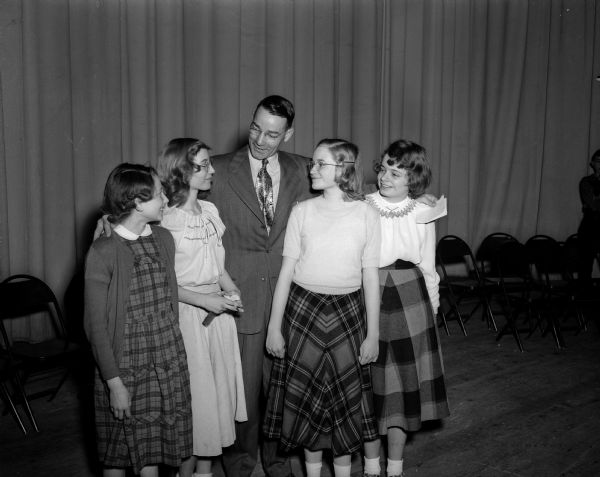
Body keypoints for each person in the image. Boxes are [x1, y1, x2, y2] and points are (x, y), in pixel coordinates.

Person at [209, 95, 314, 477]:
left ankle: (278, 458)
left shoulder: (305, 169)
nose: (260, 139)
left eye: (272, 134)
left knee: (283, 388)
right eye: (256, 128)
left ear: (288, 135)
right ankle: (239, 461)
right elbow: (169, 201)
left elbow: (348, 196)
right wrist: (113, 215)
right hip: (239, 295)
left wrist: (411, 202)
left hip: (291, 297)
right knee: (243, 389)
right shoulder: (217, 169)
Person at [263, 139, 381, 477]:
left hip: (348, 314)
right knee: (308, 408)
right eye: (313, 163)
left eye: (320, 164)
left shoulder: (365, 214)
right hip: (304, 314)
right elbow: (286, 272)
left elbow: (370, 278)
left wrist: (373, 335)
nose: (311, 169)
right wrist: (274, 327)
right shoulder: (302, 211)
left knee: (344, 406)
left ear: (343, 169)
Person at [84, 164, 192, 477]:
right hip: (125, 365)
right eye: (159, 194)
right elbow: (96, 327)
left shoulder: (163, 239)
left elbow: (169, 301)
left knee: (152, 450)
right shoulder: (103, 252)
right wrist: (113, 382)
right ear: (138, 204)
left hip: (166, 358)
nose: (166, 199)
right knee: (119, 452)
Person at [157, 138, 248, 477]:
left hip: (217, 315)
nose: (212, 170)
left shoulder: (209, 211)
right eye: (204, 165)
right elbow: (163, 282)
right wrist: (204, 299)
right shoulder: (165, 219)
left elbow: (216, 264)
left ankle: (204, 473)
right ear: (183, 171)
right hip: (186, 318)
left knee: (215, 404)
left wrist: (230, 288)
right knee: (195, 407)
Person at [362, 140, 450, 477]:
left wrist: (433, 309)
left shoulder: (424, 211)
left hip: (411, 299)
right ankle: (371, 465)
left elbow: (429, 267)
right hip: (368, 293)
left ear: (412, 178)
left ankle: (395, 466)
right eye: (383, 168)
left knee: (401, 386)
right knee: (368, 383)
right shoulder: (362, 204)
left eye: (395, 173)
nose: (385, 176)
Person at [577, 149, 600, 291]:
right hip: (590, 228)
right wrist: (595, 201)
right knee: (585, 267)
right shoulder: (586, 182)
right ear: (592, 163)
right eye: (598, 161)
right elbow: (593, 204)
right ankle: (583, 303)